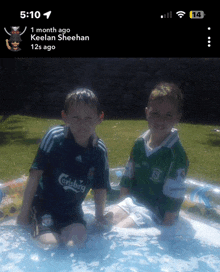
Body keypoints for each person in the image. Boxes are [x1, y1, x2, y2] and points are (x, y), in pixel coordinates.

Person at [17, 88, 110, 247]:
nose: (82, 124)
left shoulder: (99, 151)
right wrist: (23, 215)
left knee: (77, 245)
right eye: (76, 118)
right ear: (65, 117)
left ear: (99, 118)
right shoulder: (54, 137)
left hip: (72, 212)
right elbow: (35, 175)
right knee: (50, 245)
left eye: (88, 118)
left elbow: (100, 188)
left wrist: (100, 218)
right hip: (43, 207)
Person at [105, 82, 189, 228]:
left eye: (168, 115)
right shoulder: (139, 143)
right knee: (102, 223)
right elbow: (127, 176)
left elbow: (174, 196)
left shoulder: (176, 155)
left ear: (177, 118)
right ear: (146, 113)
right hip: (132, 202)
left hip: (154, 212)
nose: (160, 120)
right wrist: (121, 205)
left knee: (117, 233)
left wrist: (167, 231)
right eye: (155, 113)